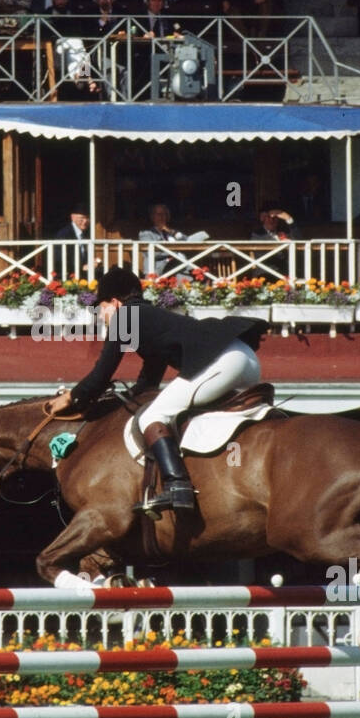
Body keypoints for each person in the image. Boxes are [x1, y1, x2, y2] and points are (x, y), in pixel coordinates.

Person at [45, 266, 264, 518]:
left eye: (101, 308)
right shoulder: (149, 318)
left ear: (114, 302)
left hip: (223, 363)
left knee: (152, 416)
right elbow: (150, 379)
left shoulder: (125, 316)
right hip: (246, 360)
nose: (101, 316)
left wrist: (71, 397)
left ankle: (177, 486)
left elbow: (100, 374)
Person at [139, 203, 186, 275]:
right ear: (152, 217)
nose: (161, 217)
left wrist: (172, 232)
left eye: (164, 214)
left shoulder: (171, 232)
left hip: (179, 267)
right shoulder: (145, 234)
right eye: (158, 214)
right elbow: (153, 253)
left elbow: (186, 241)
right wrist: (175, 251)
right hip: (158, 269)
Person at [54, 206, 91, 274]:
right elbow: (60, 259)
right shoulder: (64, 234)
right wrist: (81, 267)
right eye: (82, 218)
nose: (85, 221)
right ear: (73, 217)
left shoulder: (88, 233)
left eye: (88, 218)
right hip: (68, 275)